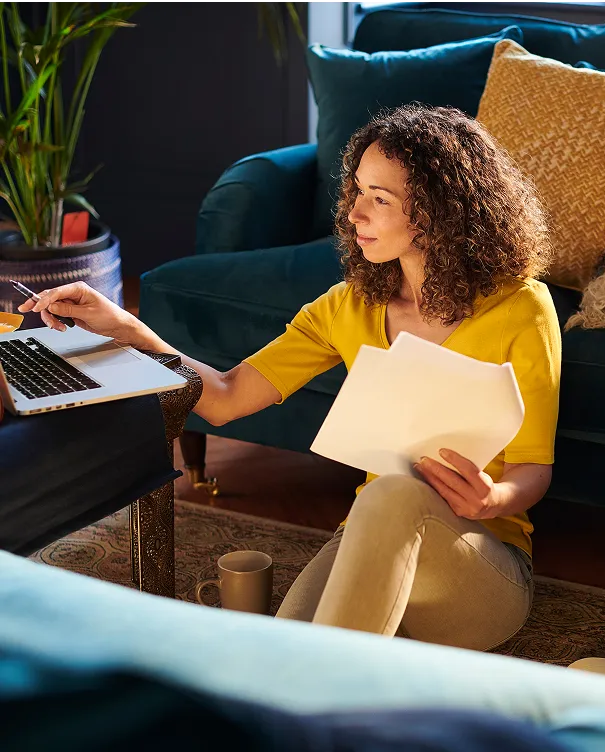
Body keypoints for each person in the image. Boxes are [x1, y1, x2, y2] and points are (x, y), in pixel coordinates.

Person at [21, 104, 562, 652]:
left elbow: (532, 469)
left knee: (393, 497)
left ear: (438, 212)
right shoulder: (349, 306)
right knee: (280, 654)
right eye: (356, 192)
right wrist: (126, 327)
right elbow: (226, 399)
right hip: (370, 542)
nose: (354, 213)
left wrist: (493, 499)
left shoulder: (521, 308)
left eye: (380, 199)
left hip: (480, 568)